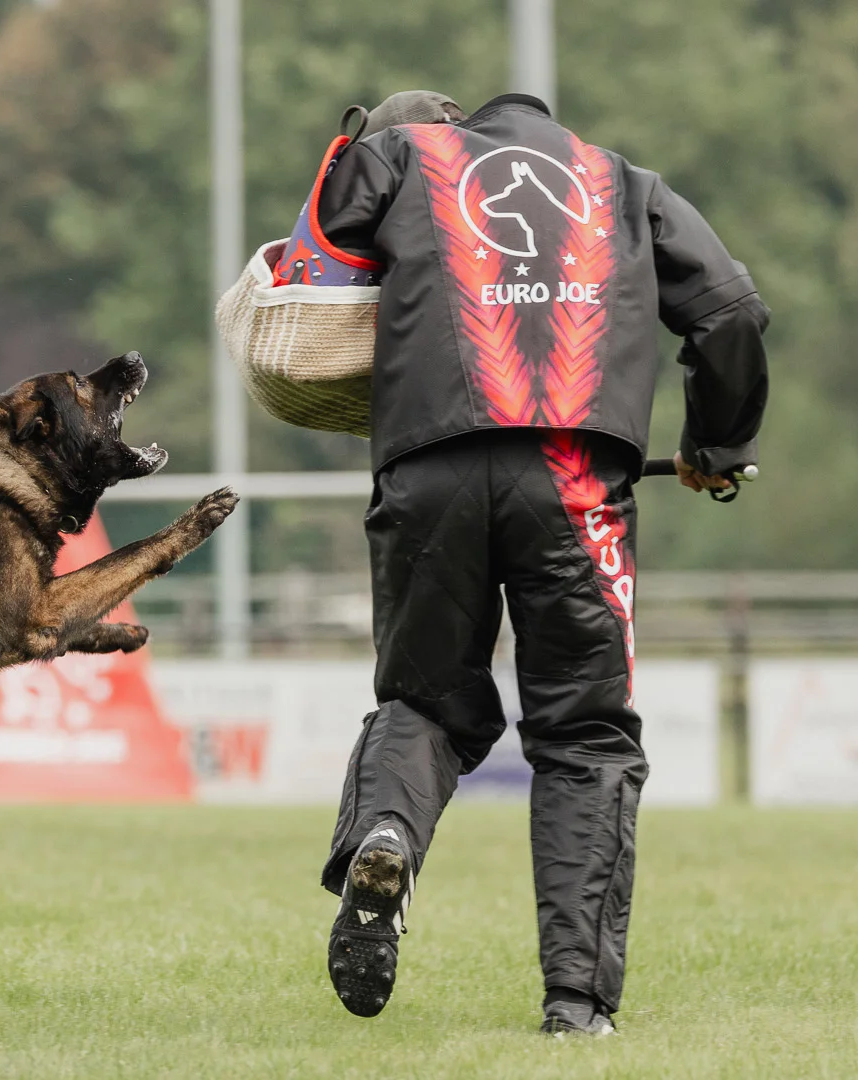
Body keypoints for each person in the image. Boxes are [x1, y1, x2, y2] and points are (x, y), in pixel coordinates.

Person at [309, 90, 769, 1035]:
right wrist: (715, 444)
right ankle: (575, 1007)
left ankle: (386, 833)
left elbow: (310, 256)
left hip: (427, 463)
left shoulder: (403, 161)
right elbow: (728, 311)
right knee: (584, 735)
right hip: (574, 475)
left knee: (426, 702)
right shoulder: (626, 184)